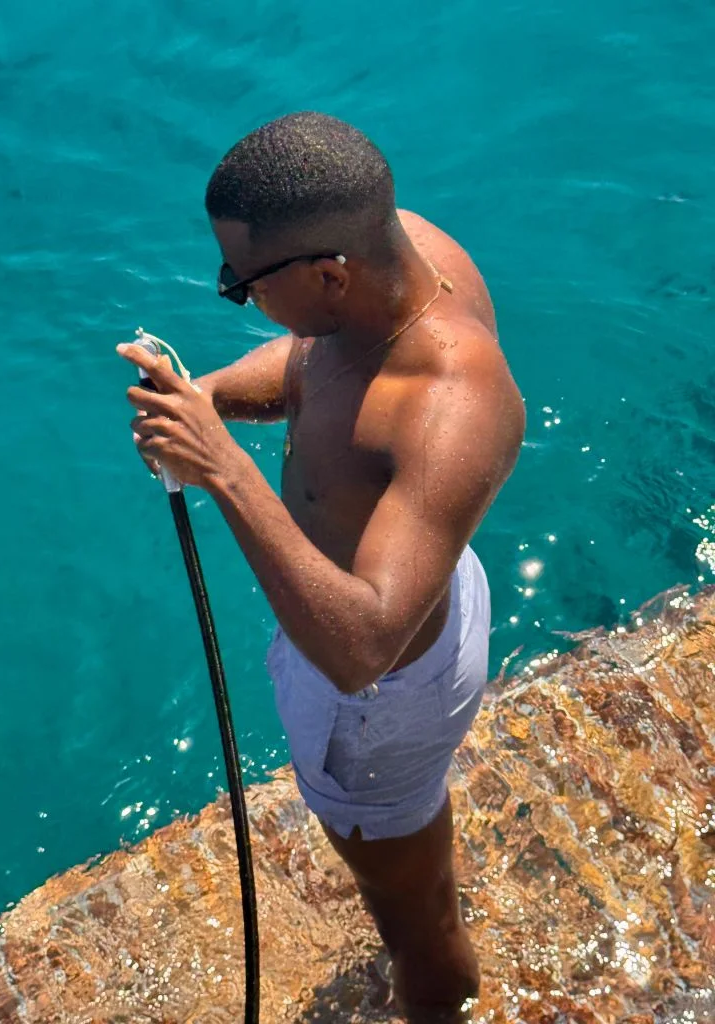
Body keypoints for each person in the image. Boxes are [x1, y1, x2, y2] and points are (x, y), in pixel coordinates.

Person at [118, 112, 525, 1023]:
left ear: (332, 273)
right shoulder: (396, 257)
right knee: (412, 866)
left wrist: (222, 466)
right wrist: (213, 395)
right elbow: (316, 355)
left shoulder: (454, 402)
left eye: (245, 284)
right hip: (422, 600)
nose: (235, 294)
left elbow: (360, 648)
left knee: (418, 927)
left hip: (378, 691)